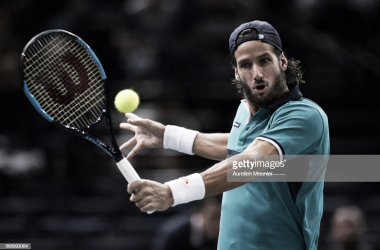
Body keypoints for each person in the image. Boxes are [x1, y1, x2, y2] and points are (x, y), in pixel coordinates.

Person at [120, 20, 330, 249]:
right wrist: (168, 136)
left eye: (264, 60)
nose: (257, 73)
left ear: (282, 61)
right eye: (246, 65)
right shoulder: (244, 111)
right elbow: (236, 147)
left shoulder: (305, 115)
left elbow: (253, 161)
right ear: (237, 73)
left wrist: (173, 192)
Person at [152, 196, 221, 250]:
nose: (218, 225)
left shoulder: (224, 236)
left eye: (221, 219)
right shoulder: (174, 235)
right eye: (214, 218)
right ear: (200, 213)